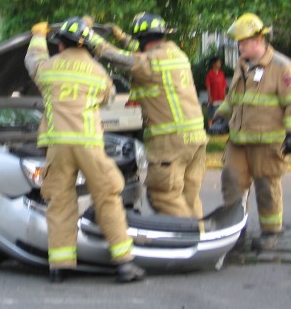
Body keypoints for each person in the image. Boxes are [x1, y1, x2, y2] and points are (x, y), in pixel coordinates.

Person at [24, 17, 145, 284]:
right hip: (89, 143)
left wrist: (37, 36)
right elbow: (107, 98)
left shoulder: (48, 68)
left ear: (59, 46)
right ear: (88, 47)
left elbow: (32, 61)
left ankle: (60, 266)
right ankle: (124, 263)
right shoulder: (98, 73)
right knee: (107, 196)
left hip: (58, 146)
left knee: (60, 202)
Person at [89, 13, 207, 220]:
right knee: (189, 197)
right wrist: (122, 36)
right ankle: (201, 237)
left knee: (164, 196)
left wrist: (87, 35)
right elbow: (139, 54)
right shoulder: (175, 54)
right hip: (196, 139)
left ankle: (186, 241)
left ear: (143, 40)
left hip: (171, 142)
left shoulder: (149, 63)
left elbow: (116, 56)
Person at [208, 13, 291, 248]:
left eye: (243, 42)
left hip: (267, 143)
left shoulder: (282, 67)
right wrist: (220, 119)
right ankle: (235, 231)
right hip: (238, 141)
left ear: (259, 40)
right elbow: (232, 100)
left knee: (266, 186)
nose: (239, 46)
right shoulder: (242, 66)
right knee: (231, 181)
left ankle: (271, 233)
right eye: (238, 42)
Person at [205, 56, 227, 128]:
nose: (220, 64)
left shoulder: (221, 73)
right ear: (214, 64)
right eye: (218, 62)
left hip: (221, 97)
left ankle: (220, 127)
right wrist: (209, 97)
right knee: (212, 113)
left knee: (221, 113)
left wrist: (225, 95)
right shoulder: (210, 74)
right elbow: (208, 86)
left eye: (220, 63)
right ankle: (210, 128)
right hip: (213, 98)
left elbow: (224, 86)